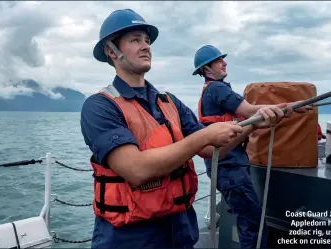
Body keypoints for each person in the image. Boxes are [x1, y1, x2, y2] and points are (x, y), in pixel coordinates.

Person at [81, 9, 290, 249]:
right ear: (111, 51)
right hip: (130, 238)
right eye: (135, 40)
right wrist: (204, 135)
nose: (146, 46)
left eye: (147, 41)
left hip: (179, 230)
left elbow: (213, 150)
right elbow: (135, 169)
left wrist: (253, 124)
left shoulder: (169, 102)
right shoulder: (99, 106)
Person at [192, 45, 313, 248]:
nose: (224, 63)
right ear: (207, 69)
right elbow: (251, 112)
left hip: (223, 168)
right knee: (253, 224)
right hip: (231, 169)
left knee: (247, 219)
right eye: (219, 60)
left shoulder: (211, 91)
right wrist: (293, 105)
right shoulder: (217, 88)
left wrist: (289, 107)